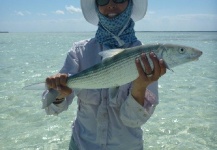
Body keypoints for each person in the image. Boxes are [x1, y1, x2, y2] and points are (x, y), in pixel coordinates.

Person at [42, 0, 166, 149]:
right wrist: (60, 94)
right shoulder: (79, 51)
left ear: (130, 4)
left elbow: (134, 120)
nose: (110, 4)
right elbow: (51, 108)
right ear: (96, 6)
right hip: (82, 145)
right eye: (102, 0)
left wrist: (139, 87)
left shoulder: (147, 57)